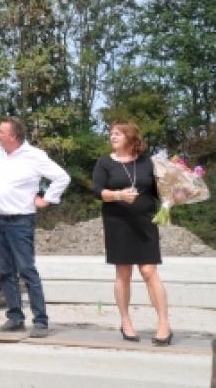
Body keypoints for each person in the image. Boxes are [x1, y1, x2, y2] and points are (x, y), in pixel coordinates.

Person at [0, 116, 70, 338]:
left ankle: (40, 321)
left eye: (1, 132)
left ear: (13, 136)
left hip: (21, 220)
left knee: (26, 270)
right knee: (5, 271)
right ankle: (14, 318)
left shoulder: (34, 156)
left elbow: (61, 177)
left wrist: (47, 199)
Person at [92, 120, 172, 346]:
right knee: (123, 273)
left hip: (145, 223)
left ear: (130, 137)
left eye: (118, 133)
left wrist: (175, 195)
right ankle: (126, 321)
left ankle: (164, 323)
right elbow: (97, 191)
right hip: (118, 223)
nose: (113, 137)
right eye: (111, 133)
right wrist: (118, 196)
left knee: (149, 271)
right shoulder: (105, 162)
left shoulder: (148, 163)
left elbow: (161, 191)